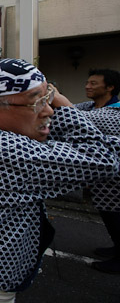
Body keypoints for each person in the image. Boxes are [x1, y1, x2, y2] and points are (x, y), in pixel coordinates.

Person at [0, 59, 120, 302]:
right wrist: (65, 104)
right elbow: (105, 158)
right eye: (38, 102)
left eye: (48, 98)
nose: (49, 110)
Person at [74, 69, 120, 273]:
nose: (87, 86)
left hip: (116, 177)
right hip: (103, 179)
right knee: (109, 216)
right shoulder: (91, 106)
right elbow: (72, 109)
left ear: (110, 87)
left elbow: (74, 117)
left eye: (93, 83)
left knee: (117, 216)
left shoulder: (115, 112)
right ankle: (117, 248)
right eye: (87, 82)